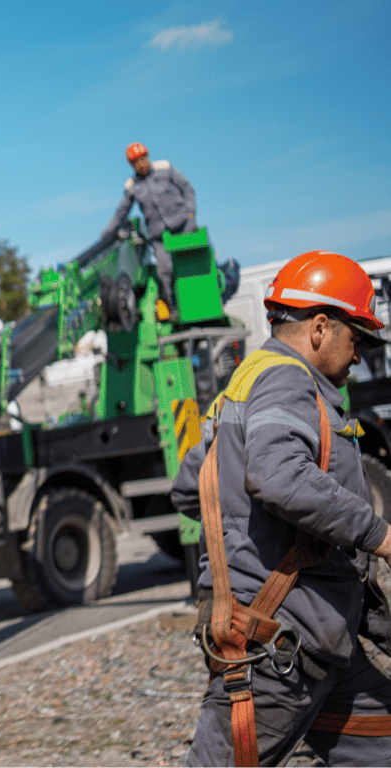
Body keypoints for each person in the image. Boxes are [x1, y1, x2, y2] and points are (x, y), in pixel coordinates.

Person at [171, 250, 391, 766]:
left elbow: (189, 487)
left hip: (318, 643)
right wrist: (381, 537)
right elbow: (278, 477)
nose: (357, 356)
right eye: (355, 338)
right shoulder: (288, 380)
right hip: (275, 653)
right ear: (320, 327)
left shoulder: (242, 388)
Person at [101, 142, 197, 309]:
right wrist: (107, 233)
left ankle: (199, 302)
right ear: (132, 165)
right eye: (136, 162)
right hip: (159, 235)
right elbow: (121, 212)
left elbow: (186, 188)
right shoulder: (132, 186)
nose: (141, 164)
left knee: (192, 263)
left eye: (143, 159)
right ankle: (174, 308)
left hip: (182, 224)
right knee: (165, 271)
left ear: (147, 157)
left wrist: (190, 213)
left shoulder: (165, 168)